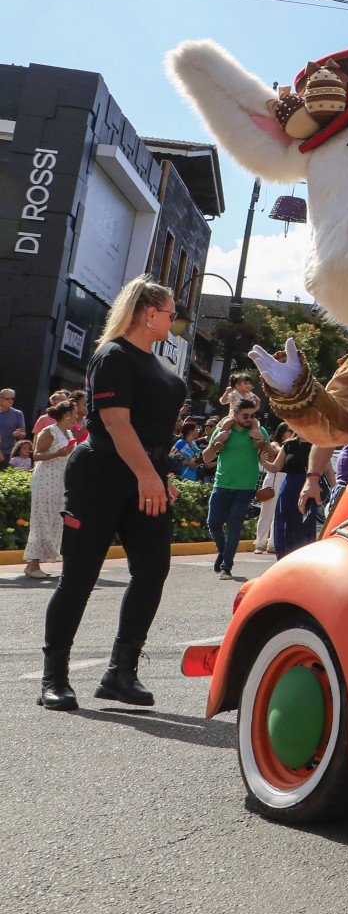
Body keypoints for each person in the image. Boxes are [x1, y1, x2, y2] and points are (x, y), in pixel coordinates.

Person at [40, 278, 184, 711]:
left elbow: (153, 431)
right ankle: (54, 678)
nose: (175, 320)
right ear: (149, 313)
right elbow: (117, 424)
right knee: (79, 578)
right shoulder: (113, 355)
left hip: (146, 476)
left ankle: (120, 673)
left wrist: (161, 474)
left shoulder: (157, 363)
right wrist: (147, 474)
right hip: (101, 475)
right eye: (171, 313)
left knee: (152, 570)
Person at [202, 399, 269, 579]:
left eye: (251, 415)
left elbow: (271, 455)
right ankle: (222, 551)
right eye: (244, 415)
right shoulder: (224, 430)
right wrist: (217, 440)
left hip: (246, 486)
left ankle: (226, 566)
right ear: (235, 415)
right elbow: (206, 458)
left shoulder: (258, 430)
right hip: (222, 484)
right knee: (213, 522)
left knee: (234, 524)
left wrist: (261, 440)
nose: (248, 419)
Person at [22, 399, 80, 579]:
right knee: (42, 517)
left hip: (60, 480)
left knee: (55, 519)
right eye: (75, 413)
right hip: (46, 479)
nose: (77, 417)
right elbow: (37, 455)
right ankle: (33, 565)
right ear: (67, 415)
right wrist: (58, 453)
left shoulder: (69, 433)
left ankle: (36, 563)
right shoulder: (49, 431)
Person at [269, 424, 318, 558]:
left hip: (308, 487)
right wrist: (262, 460)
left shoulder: (317, 445)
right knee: (286, 522)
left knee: (305, 522)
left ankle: (304, 558)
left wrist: (335, 488)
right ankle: (284, 556)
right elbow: (275, 467)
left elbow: (327, 469)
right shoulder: (288, 445)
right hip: (289, 487)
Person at [0, 388, 26, 458]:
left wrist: (19, 434)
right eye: (7, 398)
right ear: (0, 399)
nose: (11, 401)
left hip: (8, 453)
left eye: (12, 398)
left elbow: (23, 434)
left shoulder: (18, 413)